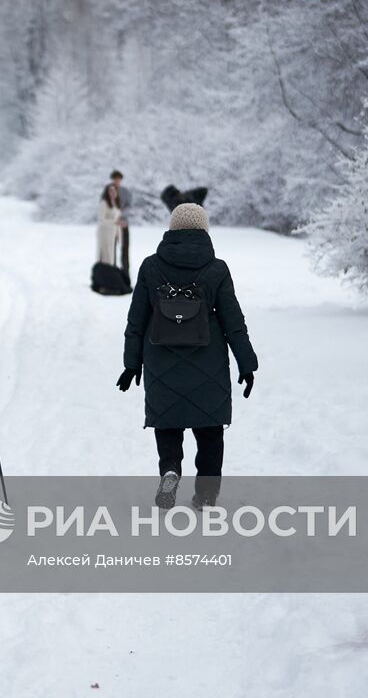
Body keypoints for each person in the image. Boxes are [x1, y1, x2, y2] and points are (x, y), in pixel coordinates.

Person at [117, 202, 258, 510]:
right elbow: (234, 323)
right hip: (208, 362)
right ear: (204, 230)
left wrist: (131, 364)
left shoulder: (150, 267)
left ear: (172, 229)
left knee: (168, 423)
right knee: (209, 430)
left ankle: (170, 469)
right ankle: (206, 494)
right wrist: (247, 364)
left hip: (160, 362)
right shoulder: (217, 269)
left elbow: (136, 321)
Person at [96, 170, 127, 265]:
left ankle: (110, 276)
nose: (113, 192)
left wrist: (119, 229)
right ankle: (103, 277)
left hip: (113, 233)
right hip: (104, 233)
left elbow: (116, 219)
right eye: (110, 191)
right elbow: (101, 219)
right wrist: (115, 222)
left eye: (114, 191)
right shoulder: (104, 203)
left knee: (111, 257)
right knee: (106, 257)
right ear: (107, 192)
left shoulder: (115, 204)